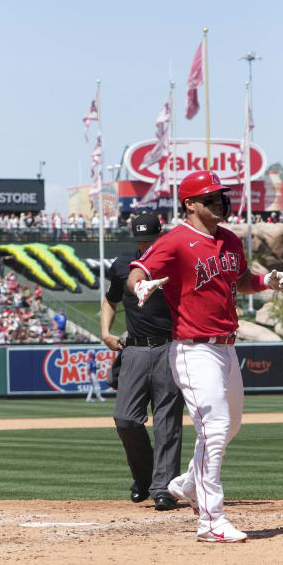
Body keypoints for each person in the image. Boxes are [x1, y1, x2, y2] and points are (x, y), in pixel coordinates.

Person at [127, 170, 283, 543]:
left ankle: (188, 483)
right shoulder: (175, 241)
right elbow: (136, 274)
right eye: (210, 198)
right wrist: (142, 284)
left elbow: (242, 278)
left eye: (221, 197)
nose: (219, 202)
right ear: (189, 204)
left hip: (227, 349)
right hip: (193, 348)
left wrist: (268, 281)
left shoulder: (230, 240)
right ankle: (211, 521)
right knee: (214, 427)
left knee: (229, 425)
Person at [101, 212, 185, 511]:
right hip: (134, 350)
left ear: (160, 236)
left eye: (149, 239)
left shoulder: (176, 264)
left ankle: (164, 489)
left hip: (170, 348)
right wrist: (105, 332)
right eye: (139, 238)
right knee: (125, 419)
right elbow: (110, 301)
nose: (144, 243)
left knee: (167, 424)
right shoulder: (123, 265)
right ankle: (145, 476)